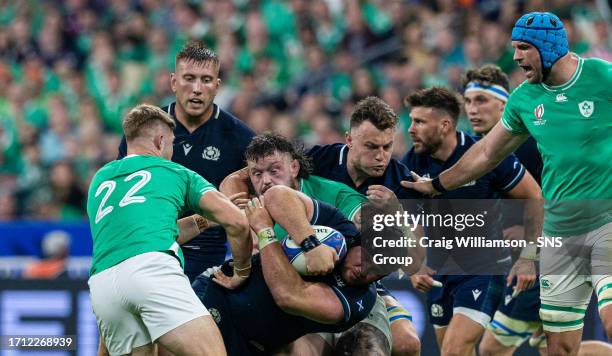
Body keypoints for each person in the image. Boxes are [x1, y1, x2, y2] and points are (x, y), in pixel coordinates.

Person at [403, 12, 612, 356]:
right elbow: (485, 153)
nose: (515, 57)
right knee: (558, 348)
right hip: (559, 235)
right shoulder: (525, 100)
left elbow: (529, 195)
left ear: (548, 48)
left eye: (523, 48)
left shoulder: (601, 76)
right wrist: (437, 185)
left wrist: (525, 253)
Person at [220, 132, 422, 355]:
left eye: (274, 170)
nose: (266, 179)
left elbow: (372, 227)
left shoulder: (330, 195)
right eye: (257, 173)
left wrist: (395, 221)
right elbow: (232, 181)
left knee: (405, 343)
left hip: (350, 284)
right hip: (300, 293)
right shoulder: (253, 201)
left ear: (294, 167)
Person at [87, 104, 252, 356]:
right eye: (172, 144)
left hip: (103, 286)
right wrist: (241, 270)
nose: (173, 151)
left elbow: (153, 232)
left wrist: (205, 220)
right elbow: (238, 222)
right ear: (160, 140)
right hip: (151, 271)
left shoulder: (99, 179)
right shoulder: (176, 172)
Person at [401, 86, 542, 356]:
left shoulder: (485, 155)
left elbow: (534, 196)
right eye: (411, 120)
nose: (410, 129)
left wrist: (529, 255)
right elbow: (409, 218)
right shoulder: (412, 161)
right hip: (440, 273)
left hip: (484, 269)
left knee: (455, 350)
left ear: (444, 125)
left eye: (419, 121)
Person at [117, 41, 255, 282]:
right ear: (173, 82)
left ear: (217, 86)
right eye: (189, 78)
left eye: (206, 80)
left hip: (209, 258)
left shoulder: (240, 138)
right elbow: (124, 200)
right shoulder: (144, 131)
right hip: (151, 251)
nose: (197, 89)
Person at [192, 186, 383, 355]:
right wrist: (310, 243)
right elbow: (276, 195)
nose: (367, 272)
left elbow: (289, 297)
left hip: (251, 346)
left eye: (378, 272)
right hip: (220, 293)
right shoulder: (341, 228)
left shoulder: (361, 300)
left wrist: (265, 231)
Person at [306, 96, 422, 355]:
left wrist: (396, 214)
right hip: (310, 271)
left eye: (387, 146)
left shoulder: (401, 183)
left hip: (362, 280)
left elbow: (416, 261)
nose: (381, 156)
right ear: (349, 140)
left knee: (408, 343)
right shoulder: (316, 161)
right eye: (371, 146)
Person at [462, 64, 545, 355]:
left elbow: (560, 198)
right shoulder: (476, 149)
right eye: (468, 101)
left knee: (491, 349)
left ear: (504, 104)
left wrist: (530, 247)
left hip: (544, 258)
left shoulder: (529, 145)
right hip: (515, 260)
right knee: (556, 347)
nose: (473, 109)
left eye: (482, 100)